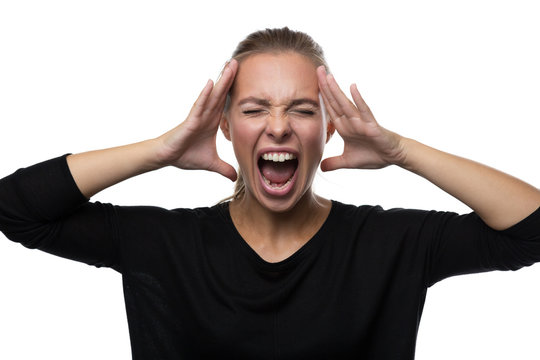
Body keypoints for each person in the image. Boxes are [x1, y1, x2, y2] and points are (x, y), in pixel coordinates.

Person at [0, 27, 539, 359]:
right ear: (226, 127)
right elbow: (16, 208)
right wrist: (160, 150)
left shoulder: (389, 243)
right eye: (255, 109)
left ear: (330, 129)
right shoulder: (162, 244)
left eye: (303, 110)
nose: (278, 127)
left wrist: (401, 151)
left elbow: (529, 231)